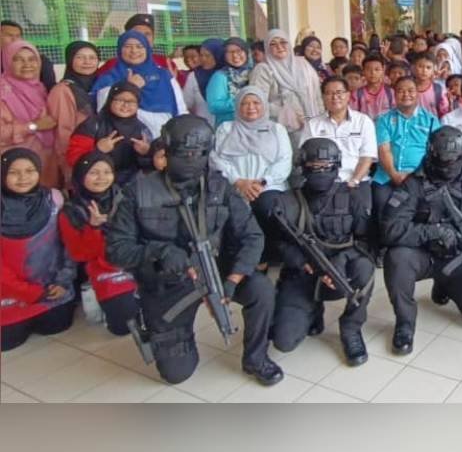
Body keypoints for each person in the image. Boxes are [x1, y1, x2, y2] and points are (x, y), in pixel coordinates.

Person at [105, 114, 283, 386]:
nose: (190, 159)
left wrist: (234, 279)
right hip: (168, 280)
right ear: (167, 150)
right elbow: (117, 249)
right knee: (177, 373)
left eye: (198, 153)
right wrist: (159, 252)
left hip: (217, 268)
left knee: (261, 290)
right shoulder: (137, 192)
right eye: (183, 152)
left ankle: (256, 358)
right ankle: (154, 323)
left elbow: (252, 236)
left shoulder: (219, 187)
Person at [381, 126, 462, 354]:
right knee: (396, 257)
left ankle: (445, 284)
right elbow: (391, 230)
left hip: (460, 257)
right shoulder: (413, 184)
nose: (448, 166)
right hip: (423, 255)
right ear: (431, 154)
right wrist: (432, 231)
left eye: (453, 160)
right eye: (442, 160)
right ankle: (405, 323)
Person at [269, 138, 375, 366]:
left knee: (365, 268)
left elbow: (366, 242)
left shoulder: (351, 198)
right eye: (314, 167)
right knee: (283, 341)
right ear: (303, 167)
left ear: (336, 166)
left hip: (341, 275)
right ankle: (312, 310)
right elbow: (277, 244)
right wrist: (301, 262)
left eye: (326, 167)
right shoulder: (287, 201)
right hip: (301, 276)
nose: (321, 172)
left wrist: (342, 258)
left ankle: (351, 327)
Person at [1, 148, 76, 351]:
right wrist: (30, 293)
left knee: (56, 327)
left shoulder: (54, 199)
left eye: (29, 170)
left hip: (53, 288)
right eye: (13, 172)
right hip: (9, 294)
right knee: (8, 342)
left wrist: (63, 281)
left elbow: (69, 245)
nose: (23, 178)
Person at [210, 85, 293, 268]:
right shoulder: (226, 128)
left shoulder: (276, 129)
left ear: (263, 105)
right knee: (232, 211)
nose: (251, 107)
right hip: (234, 185)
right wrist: (239, 182)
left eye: (256, 102)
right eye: (245, 103)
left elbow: (284, 160)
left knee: (266, 207)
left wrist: (263, 182)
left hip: (269, 185)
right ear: (238, 107)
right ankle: (236, 260)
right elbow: (216, 159)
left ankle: (266, 256)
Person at [57, 152, 138, 336]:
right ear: (80, 175)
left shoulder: (126, 197)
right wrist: (93, 228)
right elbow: (80, 254)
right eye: (94, 172)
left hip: (137, 262)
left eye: (107, 171)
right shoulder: (71, 211)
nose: (101, 178)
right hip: (107, 270)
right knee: (123, 328)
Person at [372, 76, 441, 259]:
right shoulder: (384, 119)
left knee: (422, 205)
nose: (406, 94)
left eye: (410, 90)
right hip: (387, 175)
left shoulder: (431, 121)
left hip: (419, 176)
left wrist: (413, 175)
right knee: (381, 201)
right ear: (395, 94)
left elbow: (434, 153)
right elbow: (383, 149)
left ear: (418, 93)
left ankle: (418, 243)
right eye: (401, 90)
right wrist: (394, 174)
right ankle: (384, 246)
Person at [91, 31, 186, 138]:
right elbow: (103, 111)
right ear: (119, 50)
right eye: (127, 46)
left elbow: (180, 107)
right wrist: (129, 87)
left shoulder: (164, 75)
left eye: (139, 46)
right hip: (128, 139)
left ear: (147, 49)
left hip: (167, 137)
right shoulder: (109, 78)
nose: (134, 51)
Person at [68, 82, 153, 187]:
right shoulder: (92, 125)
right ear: (110, 100)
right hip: (98, 184)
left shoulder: (143, 129)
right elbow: (73, 159)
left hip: (131, 187)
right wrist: (97, 150)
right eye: (120, 100)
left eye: (131, 101)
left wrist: (146, 154)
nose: (125, 105)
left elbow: (151, 166)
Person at [1, 40, 59, 187]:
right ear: (7, 61)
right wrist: (33, 126)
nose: (27, 64)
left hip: (45, 164)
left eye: (32, 59)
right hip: (15, 169)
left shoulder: (40, 88)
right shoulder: (3, 91)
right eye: (18, 59)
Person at [250, 29, 323, 138]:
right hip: (281, 129)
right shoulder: (263, 69)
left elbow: (316, 95)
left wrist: (321, 117)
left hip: (312, 123)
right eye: (273, 44)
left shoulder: (303, 64)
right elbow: (257, 102)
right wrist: (286, 113)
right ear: (267, 48)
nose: (279, 47)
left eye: (283, 42)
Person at [47, 41, 100, 186]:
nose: (87, 62)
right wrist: (69, 171)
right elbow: (63, 134)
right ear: (70, 60)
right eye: (80, 57)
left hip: (100, 157)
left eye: (92, 57)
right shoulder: (63, 90)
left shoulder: (100, 86)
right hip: (76, 160)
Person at [95, 14, 177, 78]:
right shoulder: (112, 64)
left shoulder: (165, 63)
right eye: (137, 33)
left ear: (153, 38)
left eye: (147, 34)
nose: (142, 38)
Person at [205, 37, 254, 125]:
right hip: (229, 128)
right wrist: (242, 102)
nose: (235, 55)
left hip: (254, 127)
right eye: (230, 52)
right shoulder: (220, 76)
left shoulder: (254, 72)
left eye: (239, 50)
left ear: (246, 52)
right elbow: (214, 106)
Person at [1, 19, 57, 90]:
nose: (14, 39)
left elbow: (50, 87)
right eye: (9, 35)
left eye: (18, 36)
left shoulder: (39, 60)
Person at [181, 38, 224, 124]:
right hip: (203, 129)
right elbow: (185, 104)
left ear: (219, 55)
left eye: (208, 56)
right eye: (201, 55)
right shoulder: (194, 76)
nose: (203, 59)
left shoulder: (232, 76)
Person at [351, 55, 395, 120]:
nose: (373, 73)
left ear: (383, 70)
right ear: (363, 71)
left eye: (377, 69)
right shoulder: (357, 94)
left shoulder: (390, 92)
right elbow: (353, 115)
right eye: (368, 69)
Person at [412, 52, 450, 118]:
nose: (424, 70)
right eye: (420, 66)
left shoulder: (438, 90)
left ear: (433, 70)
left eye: (428, 67)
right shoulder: (408, 87)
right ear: (414, 68)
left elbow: (444, 112)